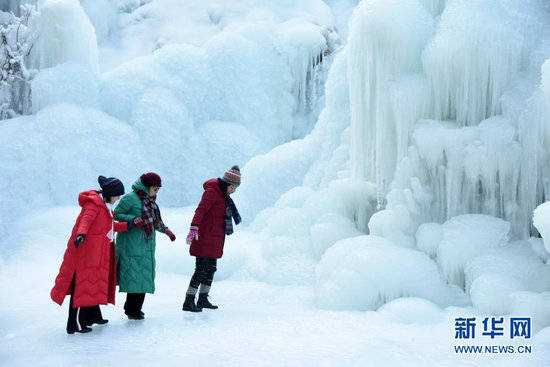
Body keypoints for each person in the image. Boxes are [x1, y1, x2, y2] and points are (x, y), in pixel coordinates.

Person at [51, 176, 140, 334]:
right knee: (81, 289)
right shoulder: (94, 205)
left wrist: (129, 225)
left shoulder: (104, 206)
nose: (118, 199)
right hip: (85, 254)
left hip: (96, 253)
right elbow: (86, 220)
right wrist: (81, 234)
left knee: (89, 287)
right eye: (117, 196)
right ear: (110, 193)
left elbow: (110, 227)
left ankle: (88, 319)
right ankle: (76, 324)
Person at [114, 172, 176, 320]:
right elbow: (116, 214)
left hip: (146, 245)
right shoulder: (130, 198)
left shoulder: (150, 202)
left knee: (142, 278)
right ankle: (131, 309)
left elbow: (155, 222)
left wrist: (166, 230)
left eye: (158, 190)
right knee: (134, 278)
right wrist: (133, 219)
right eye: (155, 189)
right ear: (146, 187)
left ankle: (135, 308)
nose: (156, 193)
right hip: (131, 245)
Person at [183, 166, 242, 312]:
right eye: (234, 188)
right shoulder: (212, 192)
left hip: (215, 238)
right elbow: (201, 210)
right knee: (201, 269)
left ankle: (203, 298)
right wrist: (194, 228)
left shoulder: (223, 195)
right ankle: (189, 300)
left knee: (211, 269)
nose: (234, 191)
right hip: (204, 237)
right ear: (230, 185)